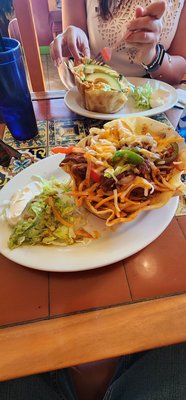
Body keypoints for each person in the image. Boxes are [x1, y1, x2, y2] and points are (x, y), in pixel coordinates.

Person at [50, 0, 186, 87]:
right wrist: (72, 53)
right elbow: (68, 68)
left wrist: (153, 56)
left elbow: (179, 70)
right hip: (92, 93)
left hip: (154, 100)